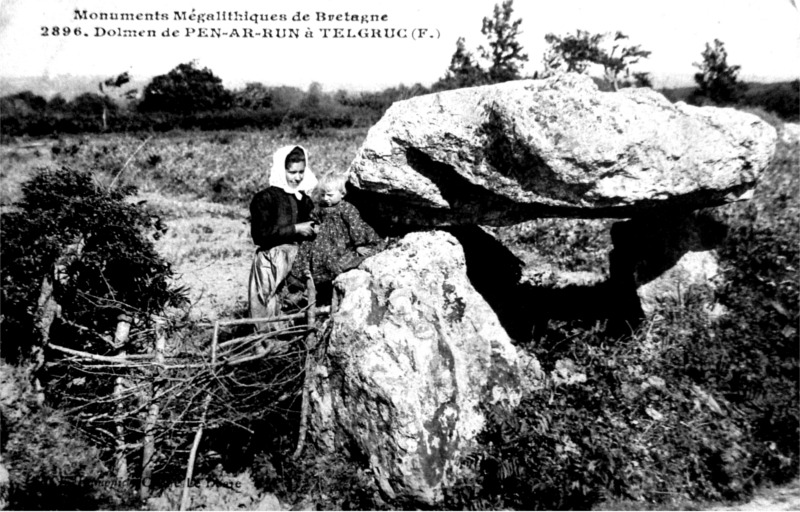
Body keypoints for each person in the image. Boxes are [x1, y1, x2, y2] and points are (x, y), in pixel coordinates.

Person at [248, 145, 318, 333]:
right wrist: (295, 229)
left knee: (292, 302)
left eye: (301, 172)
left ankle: (290, 346)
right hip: (271, 259)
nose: (297, 177)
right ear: (281, 169)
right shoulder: (265, 198)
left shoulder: (304, 199)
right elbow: (260, 235)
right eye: (292, 172)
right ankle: (264, 345)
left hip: (296, 258)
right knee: (266, 303)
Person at [291, 172, 384, 304]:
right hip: (325, 239)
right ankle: (309, 282)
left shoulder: (346, 208)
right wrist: (315, 226)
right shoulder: (320, 208)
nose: (326, 198)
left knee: (334, 257)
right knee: (313, 252)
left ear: (342, 194)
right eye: (323, 195)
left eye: (330, 195)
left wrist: (359, 244)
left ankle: (328, 282)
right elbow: (314, 217)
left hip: (344, 240)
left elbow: (355, 225)